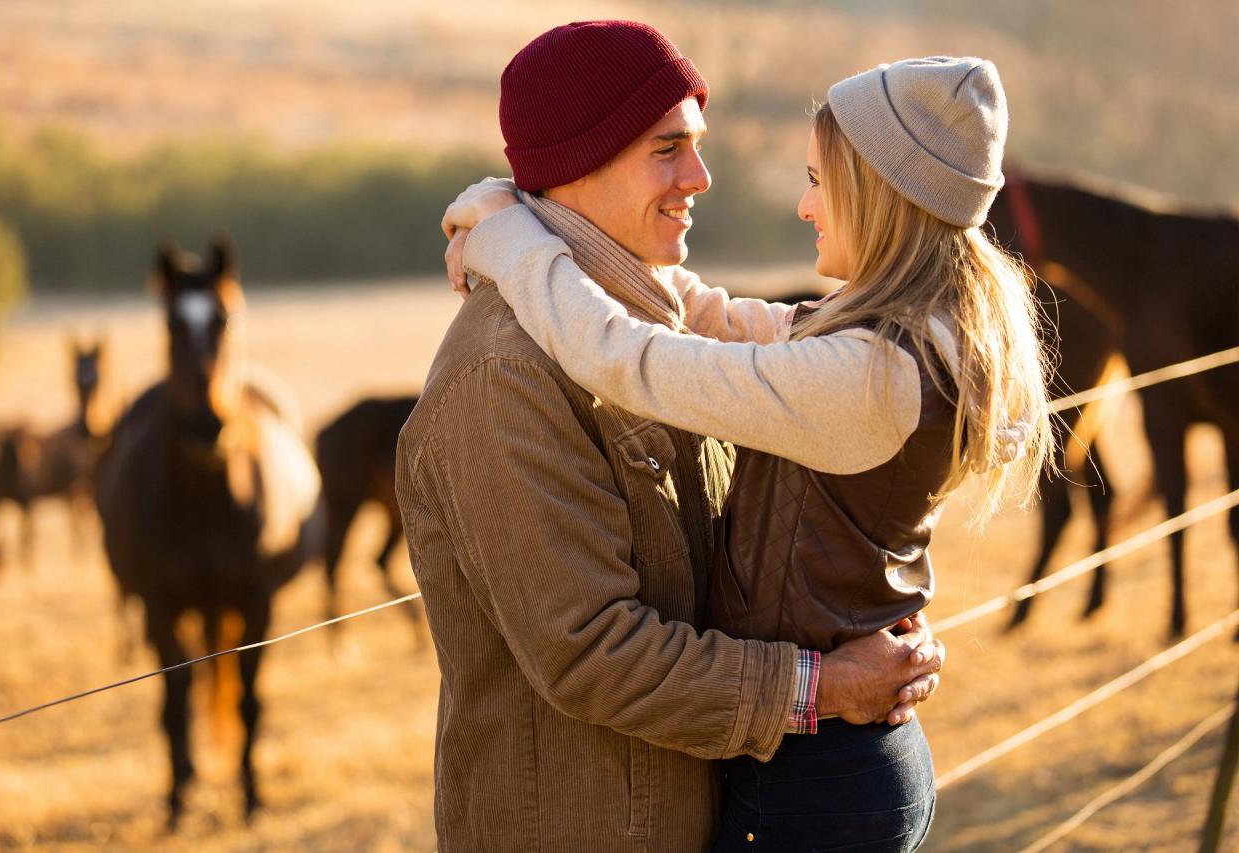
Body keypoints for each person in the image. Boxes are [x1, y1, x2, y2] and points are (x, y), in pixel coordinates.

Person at [442, 54, 1053, 852]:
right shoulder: (918, 330)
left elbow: (625, 358)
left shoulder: (866, 375)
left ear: (881, 197)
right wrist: (538, 223)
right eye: (667, 149)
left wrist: (512, 239)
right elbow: (722, 321)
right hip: (844, 770)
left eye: (818, 180)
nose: (804, 205)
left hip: (814, 781)